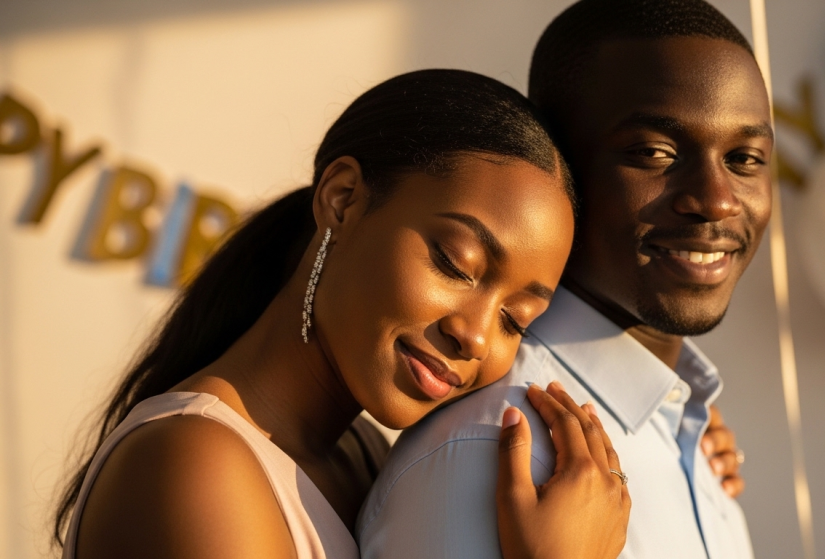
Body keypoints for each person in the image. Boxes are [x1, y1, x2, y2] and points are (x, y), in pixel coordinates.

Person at [52, 69, 633, 559]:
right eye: (455, 264)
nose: (476, 336)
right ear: (343, 199)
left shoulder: (362, 455)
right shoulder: (194, 464)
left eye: (517, 318)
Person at [356, 1, 770, 557]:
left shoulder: (691, 433)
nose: (717, 200)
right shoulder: (498, 449)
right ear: (560, 167)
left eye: (745, 158)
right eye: (655, 152)